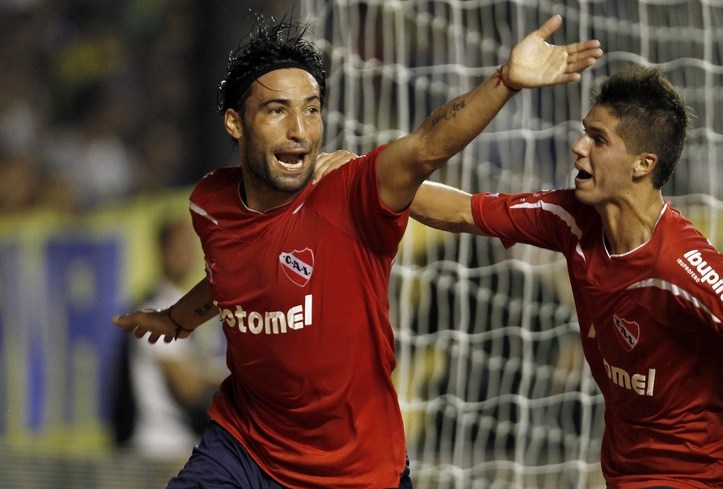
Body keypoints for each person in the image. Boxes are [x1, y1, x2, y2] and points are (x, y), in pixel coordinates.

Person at [112, 12, 603, 489]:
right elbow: (236, 275)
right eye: (277, 110)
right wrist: (179, 318)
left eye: (311, 108)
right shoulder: (210, 204)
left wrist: (506, 82)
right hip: (244, 448)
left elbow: (427, 146)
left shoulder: (351, 192)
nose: (300, 130)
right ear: (235, 124)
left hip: (354, 472)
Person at [408, 66, 723, 488]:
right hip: (625, 474)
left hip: (703, 478)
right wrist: (370, 177)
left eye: (598, 139)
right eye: (584, 132)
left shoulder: (682, 264)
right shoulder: (570, 218)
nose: (577, 147)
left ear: (643, 164)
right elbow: (461, 210)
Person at [114, 217, 226, 468]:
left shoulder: (188, 306)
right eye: (179, 247)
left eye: (190, 248)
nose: (185, 255)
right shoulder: (155, 310)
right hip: (158, 449)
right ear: (161, 250)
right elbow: (187, 387)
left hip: (184, 444)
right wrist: (228, 378)